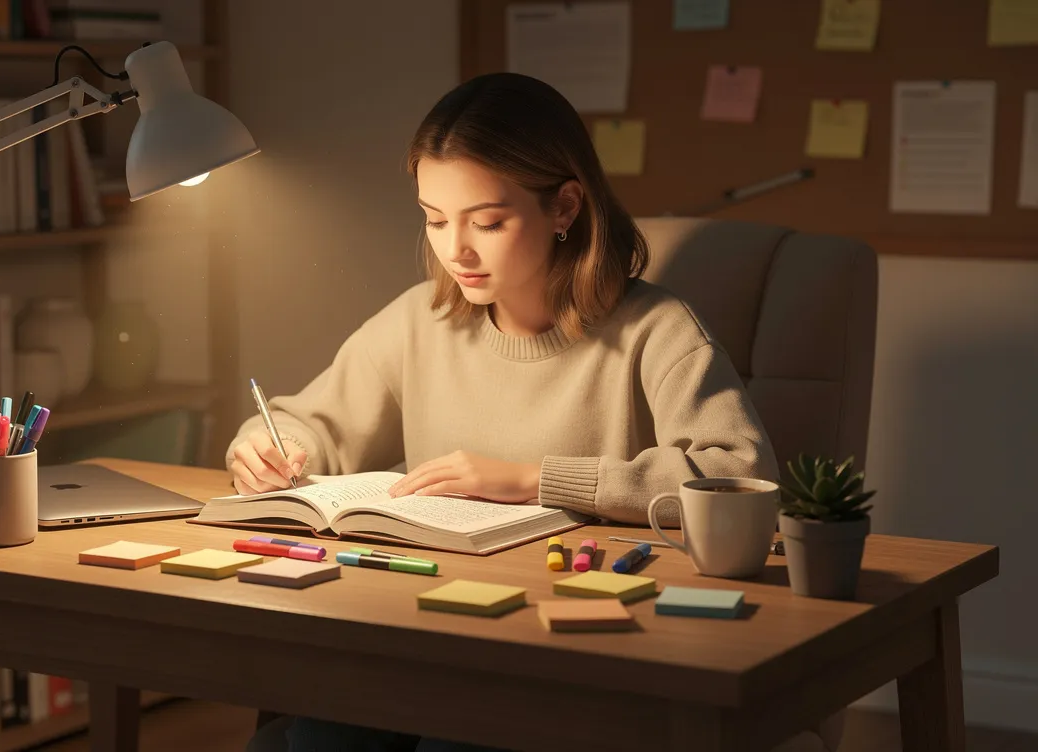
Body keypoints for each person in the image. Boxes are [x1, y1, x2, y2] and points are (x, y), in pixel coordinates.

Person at [231, 73, 834, 752]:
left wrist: (533, 479)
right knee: (319, 733)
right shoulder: (419, 322)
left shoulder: (655, 329)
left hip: (582, 643)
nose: (454, 249)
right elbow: (316, 422)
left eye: (486, 221)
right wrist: (267, 441)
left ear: (565, 207)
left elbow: (740, 469)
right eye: (434, 219)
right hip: (437, 628)